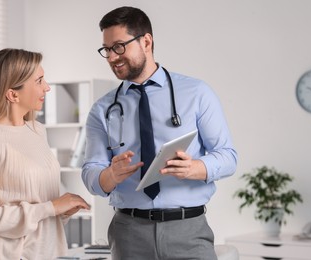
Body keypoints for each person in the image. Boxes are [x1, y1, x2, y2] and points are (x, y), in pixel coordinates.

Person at [82, 6, 237, 260]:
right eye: (107, 50)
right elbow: (90, 174)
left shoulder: (197, 93)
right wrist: (109, 175)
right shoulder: (102, 109)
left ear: (146, 41)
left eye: (119, 46)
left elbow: (228, 156)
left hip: (188, 230)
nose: (111, 57)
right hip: (128, 233)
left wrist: (195, 167)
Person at [0, 48, 90, 260]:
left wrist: (61, 211)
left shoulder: (37, 130)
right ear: (12, 94)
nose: (47, 87)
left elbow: (38, 206)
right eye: (39, 81)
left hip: (50, 254)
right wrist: (51, 207)